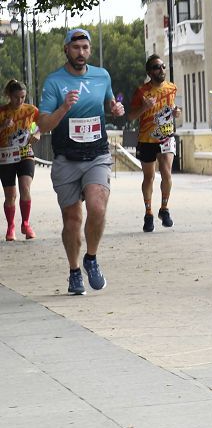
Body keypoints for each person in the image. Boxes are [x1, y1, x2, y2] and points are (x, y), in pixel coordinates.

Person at [37, 28, 125, 295]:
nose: (81, 52)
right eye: (76, 48)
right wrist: (64, 107)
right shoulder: (54, 82)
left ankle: (91, 259)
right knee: (72, 219)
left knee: (98, 207)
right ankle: (75, 271)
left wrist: (116, 108)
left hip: (97, 154)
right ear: (66, 50)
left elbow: (111, 101)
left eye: (85, 48)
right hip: (66, 158)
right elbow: (43, 123)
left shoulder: (102, 75)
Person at [127, 54, 180, 232]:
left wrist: (176, 113)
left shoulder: (172, 88)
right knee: (149, 177)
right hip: (146, 139)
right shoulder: (141, 92)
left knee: (167, 173)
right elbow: (131, 116)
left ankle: (164, 209)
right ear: (150, 72)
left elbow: (171, 109)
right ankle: (148, 213)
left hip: (166, 137)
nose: (162, 70)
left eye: (163, 67)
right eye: (157, 67)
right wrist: (144, 107)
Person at [0, 79, 40, 241]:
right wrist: (3, 126)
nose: (20, 101)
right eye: (17, 97)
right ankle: (11, 227)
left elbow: (38, 126)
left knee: (25, 187)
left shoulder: (31, 110)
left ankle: (26, 223)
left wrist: (37, 134)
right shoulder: (2, 112)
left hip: (25, 153)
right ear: (10, 96)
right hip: (6, 156)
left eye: (23, 97)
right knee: (10, 195)